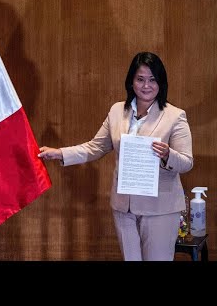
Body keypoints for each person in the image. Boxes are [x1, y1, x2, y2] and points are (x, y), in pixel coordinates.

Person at [38, 51, 193, 261]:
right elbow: (95, 147)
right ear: (131, 82)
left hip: (160, 209)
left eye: (152, 80)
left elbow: (186, 162)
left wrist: (168, 154)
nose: (146, 86)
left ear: (161, 83)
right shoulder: (117, 111)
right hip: (123, 207)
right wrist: (60, 153)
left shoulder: (175, 116)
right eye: (140, 79)